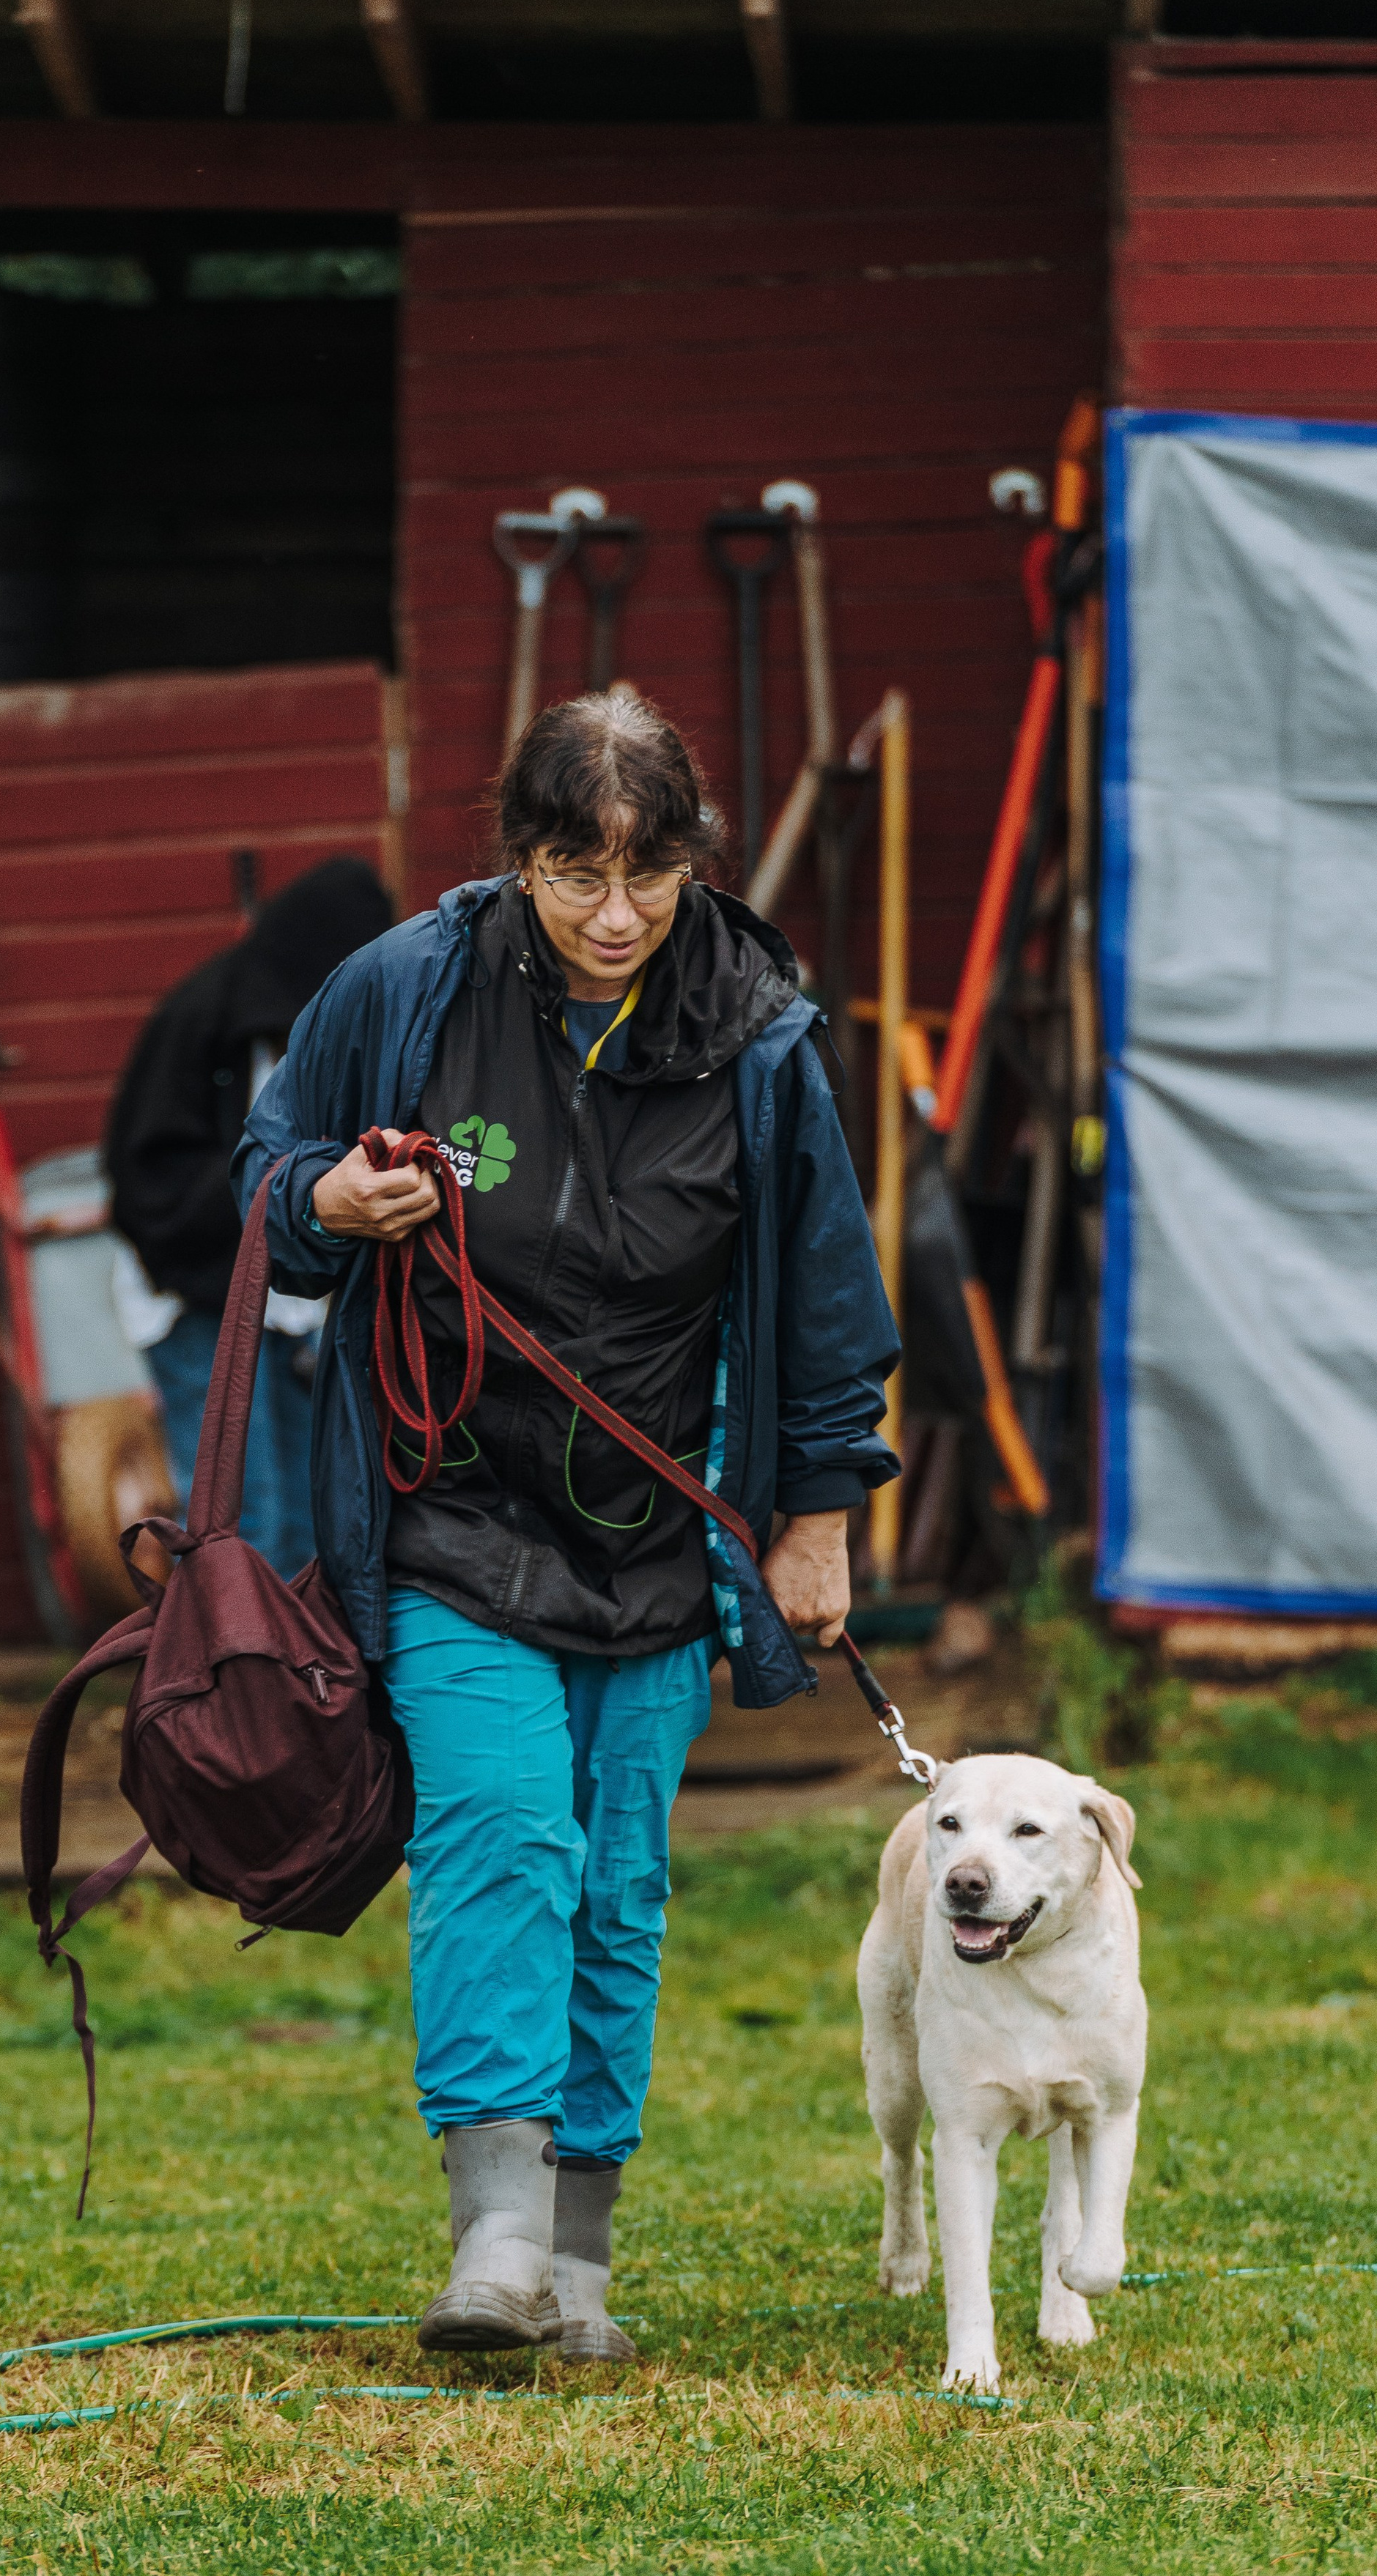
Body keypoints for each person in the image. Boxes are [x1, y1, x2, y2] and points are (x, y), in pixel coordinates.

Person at [235, 689, 897, 2360]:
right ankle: (497, 2247)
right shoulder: (401, 989)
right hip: (449, 1508)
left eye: (647, 872)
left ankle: (583, 2270)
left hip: (661, 1529)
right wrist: (324, 1200)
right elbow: (261, 1172)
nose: (613, 915)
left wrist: (813, 1518)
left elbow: (827, 1299)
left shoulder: (758, 1037)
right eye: (572, 871)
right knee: (503, 1840)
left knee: (617, 1883)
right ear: (512, 856)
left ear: (692, 862)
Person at [105, 853, 392, 1578]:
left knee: (305, 1510)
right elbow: (147, 1180)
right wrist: (270, 1197)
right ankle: (231, 1687)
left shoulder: (333, 1031)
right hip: (195, 1298)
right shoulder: (203, 1016)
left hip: (291, 1301)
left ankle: (296, 1686)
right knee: (240, 1517)